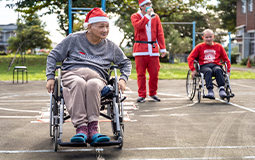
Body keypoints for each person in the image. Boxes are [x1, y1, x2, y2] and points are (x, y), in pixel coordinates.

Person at [46, 8, 131, 146]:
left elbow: (126, 63)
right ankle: (81, 128)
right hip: (72, 74)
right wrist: (50, 77)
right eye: (101, 26)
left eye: (107, 26)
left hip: (97, 77)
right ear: (90, 26)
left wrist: (123, 79)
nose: (105, 30)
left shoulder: (111, 46)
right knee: (79, 83)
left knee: (92, 85)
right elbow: (53, 56)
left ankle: (93, 129)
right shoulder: (74, 39)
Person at [131, 0, 166, 103]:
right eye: (146, 5)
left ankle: (153, 93)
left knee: (154, 73)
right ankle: (141, 95)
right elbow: (138, 26)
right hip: (140, 49)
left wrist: (162, 48)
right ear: (141, 7)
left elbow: (160, 33)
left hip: (153, 49)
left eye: (149, 4)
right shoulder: (135, 16)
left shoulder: (156, 17)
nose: (148, 6)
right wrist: (147, 16)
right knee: (141, 74)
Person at [187, 29, 231, 99]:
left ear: (213, 37)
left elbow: (226, 60)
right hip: (203, 66)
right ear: (203, 37)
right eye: (206, 37)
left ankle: (222, 89)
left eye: (210, 37)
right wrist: (193, 69)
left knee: (218, 69)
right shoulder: (199, 46)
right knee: (208, 71)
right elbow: (190, 58)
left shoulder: (219, 46)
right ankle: (210, 91)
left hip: (215, 65)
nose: (208, 39)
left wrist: (228, 71)